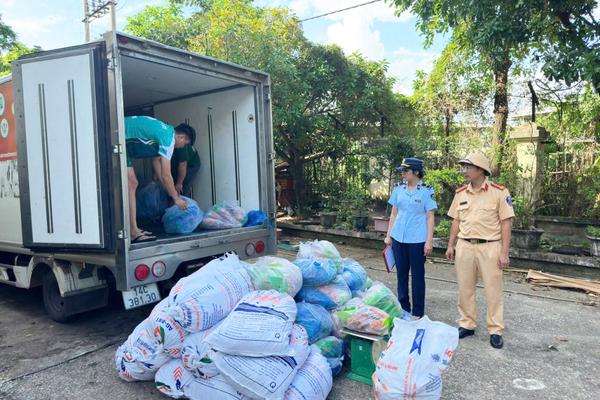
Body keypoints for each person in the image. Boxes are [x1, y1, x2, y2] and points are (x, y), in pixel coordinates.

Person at [445, 153, 514, 349]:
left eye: (468, 167)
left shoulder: (499, 192)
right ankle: (467, 324)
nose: (464, 171)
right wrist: (451, 245)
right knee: (465, 288)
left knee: (494, 290)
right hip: (465, 246)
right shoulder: (461, 193)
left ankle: (495, 330)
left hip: (490, 246)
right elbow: (456, 221)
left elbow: (506, 223)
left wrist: (504, 253)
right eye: (464, 167)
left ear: (481, 170)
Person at [125, 116, 196, 243]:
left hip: (120, 136)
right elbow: (166, 174)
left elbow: (156, 161)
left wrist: (165, 186)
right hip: (117, 138)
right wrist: (176, 198)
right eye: (185, 144)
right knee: (132, 183)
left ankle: (133, 229)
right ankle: (133, 231)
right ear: (181, 137)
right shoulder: (168, 139)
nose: (182, 147)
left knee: (132, 183)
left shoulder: (165, 130)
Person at [384, 158, 437, 319]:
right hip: (398, 238)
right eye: (402, 171)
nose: (403, 174)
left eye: (406, 171)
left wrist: (429, 241)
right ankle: (404, 307)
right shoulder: (398, 189)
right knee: (401, 274)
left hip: (417, 240)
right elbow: (394, 213)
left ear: (415, 172)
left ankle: (418, 312)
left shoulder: (426, 190)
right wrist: (388, 235)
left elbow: (430, 217)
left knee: (418, 276)